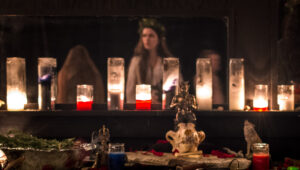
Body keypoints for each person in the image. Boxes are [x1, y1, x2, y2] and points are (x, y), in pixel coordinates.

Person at [126, 18, 173, 104]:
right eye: (144, 35)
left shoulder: (167, 62)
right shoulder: (136, 62)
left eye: (151, 36)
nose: (147, 39)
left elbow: (176, 88)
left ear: (158, 39)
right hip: (142, 108)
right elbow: (130, 91)